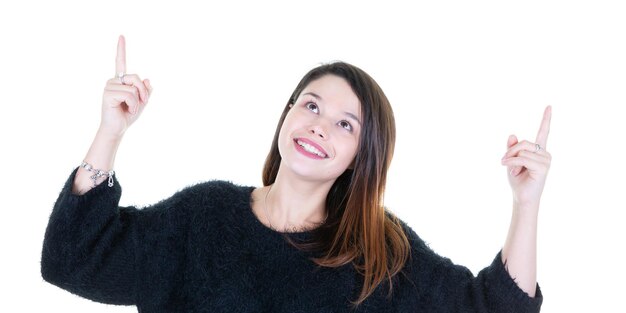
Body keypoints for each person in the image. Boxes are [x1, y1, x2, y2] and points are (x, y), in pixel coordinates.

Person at [41, 35, 551, 312]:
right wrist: (110, 132)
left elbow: (496, 310)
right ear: (286, 116)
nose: (319, 126)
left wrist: (526, 204)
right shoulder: (203, 217)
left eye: (345, 123)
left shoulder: (380, 252)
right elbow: (73, 259)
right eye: (310, 105)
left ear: (361, 155)